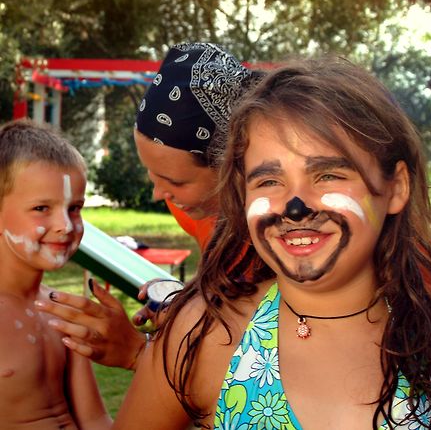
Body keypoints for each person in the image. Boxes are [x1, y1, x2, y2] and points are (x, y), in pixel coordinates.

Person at [112, 57, 431, 429]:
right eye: (269, 181)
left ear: (396, 187)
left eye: (328, 175)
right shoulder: (206, 335)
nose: (295, 207)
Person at [34, 42, 263, 369]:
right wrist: (187, 299)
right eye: (151, 173)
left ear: (235, 169)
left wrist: (138, 354)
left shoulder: (274, 250)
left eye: (176, 182)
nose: (158, 193)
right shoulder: (195, 210)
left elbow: (250, 378)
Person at [0, 120, 111, 429]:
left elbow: (95, 420)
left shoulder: (61, 309)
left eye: (74, 208)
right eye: (41, 208)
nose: (65, 224)